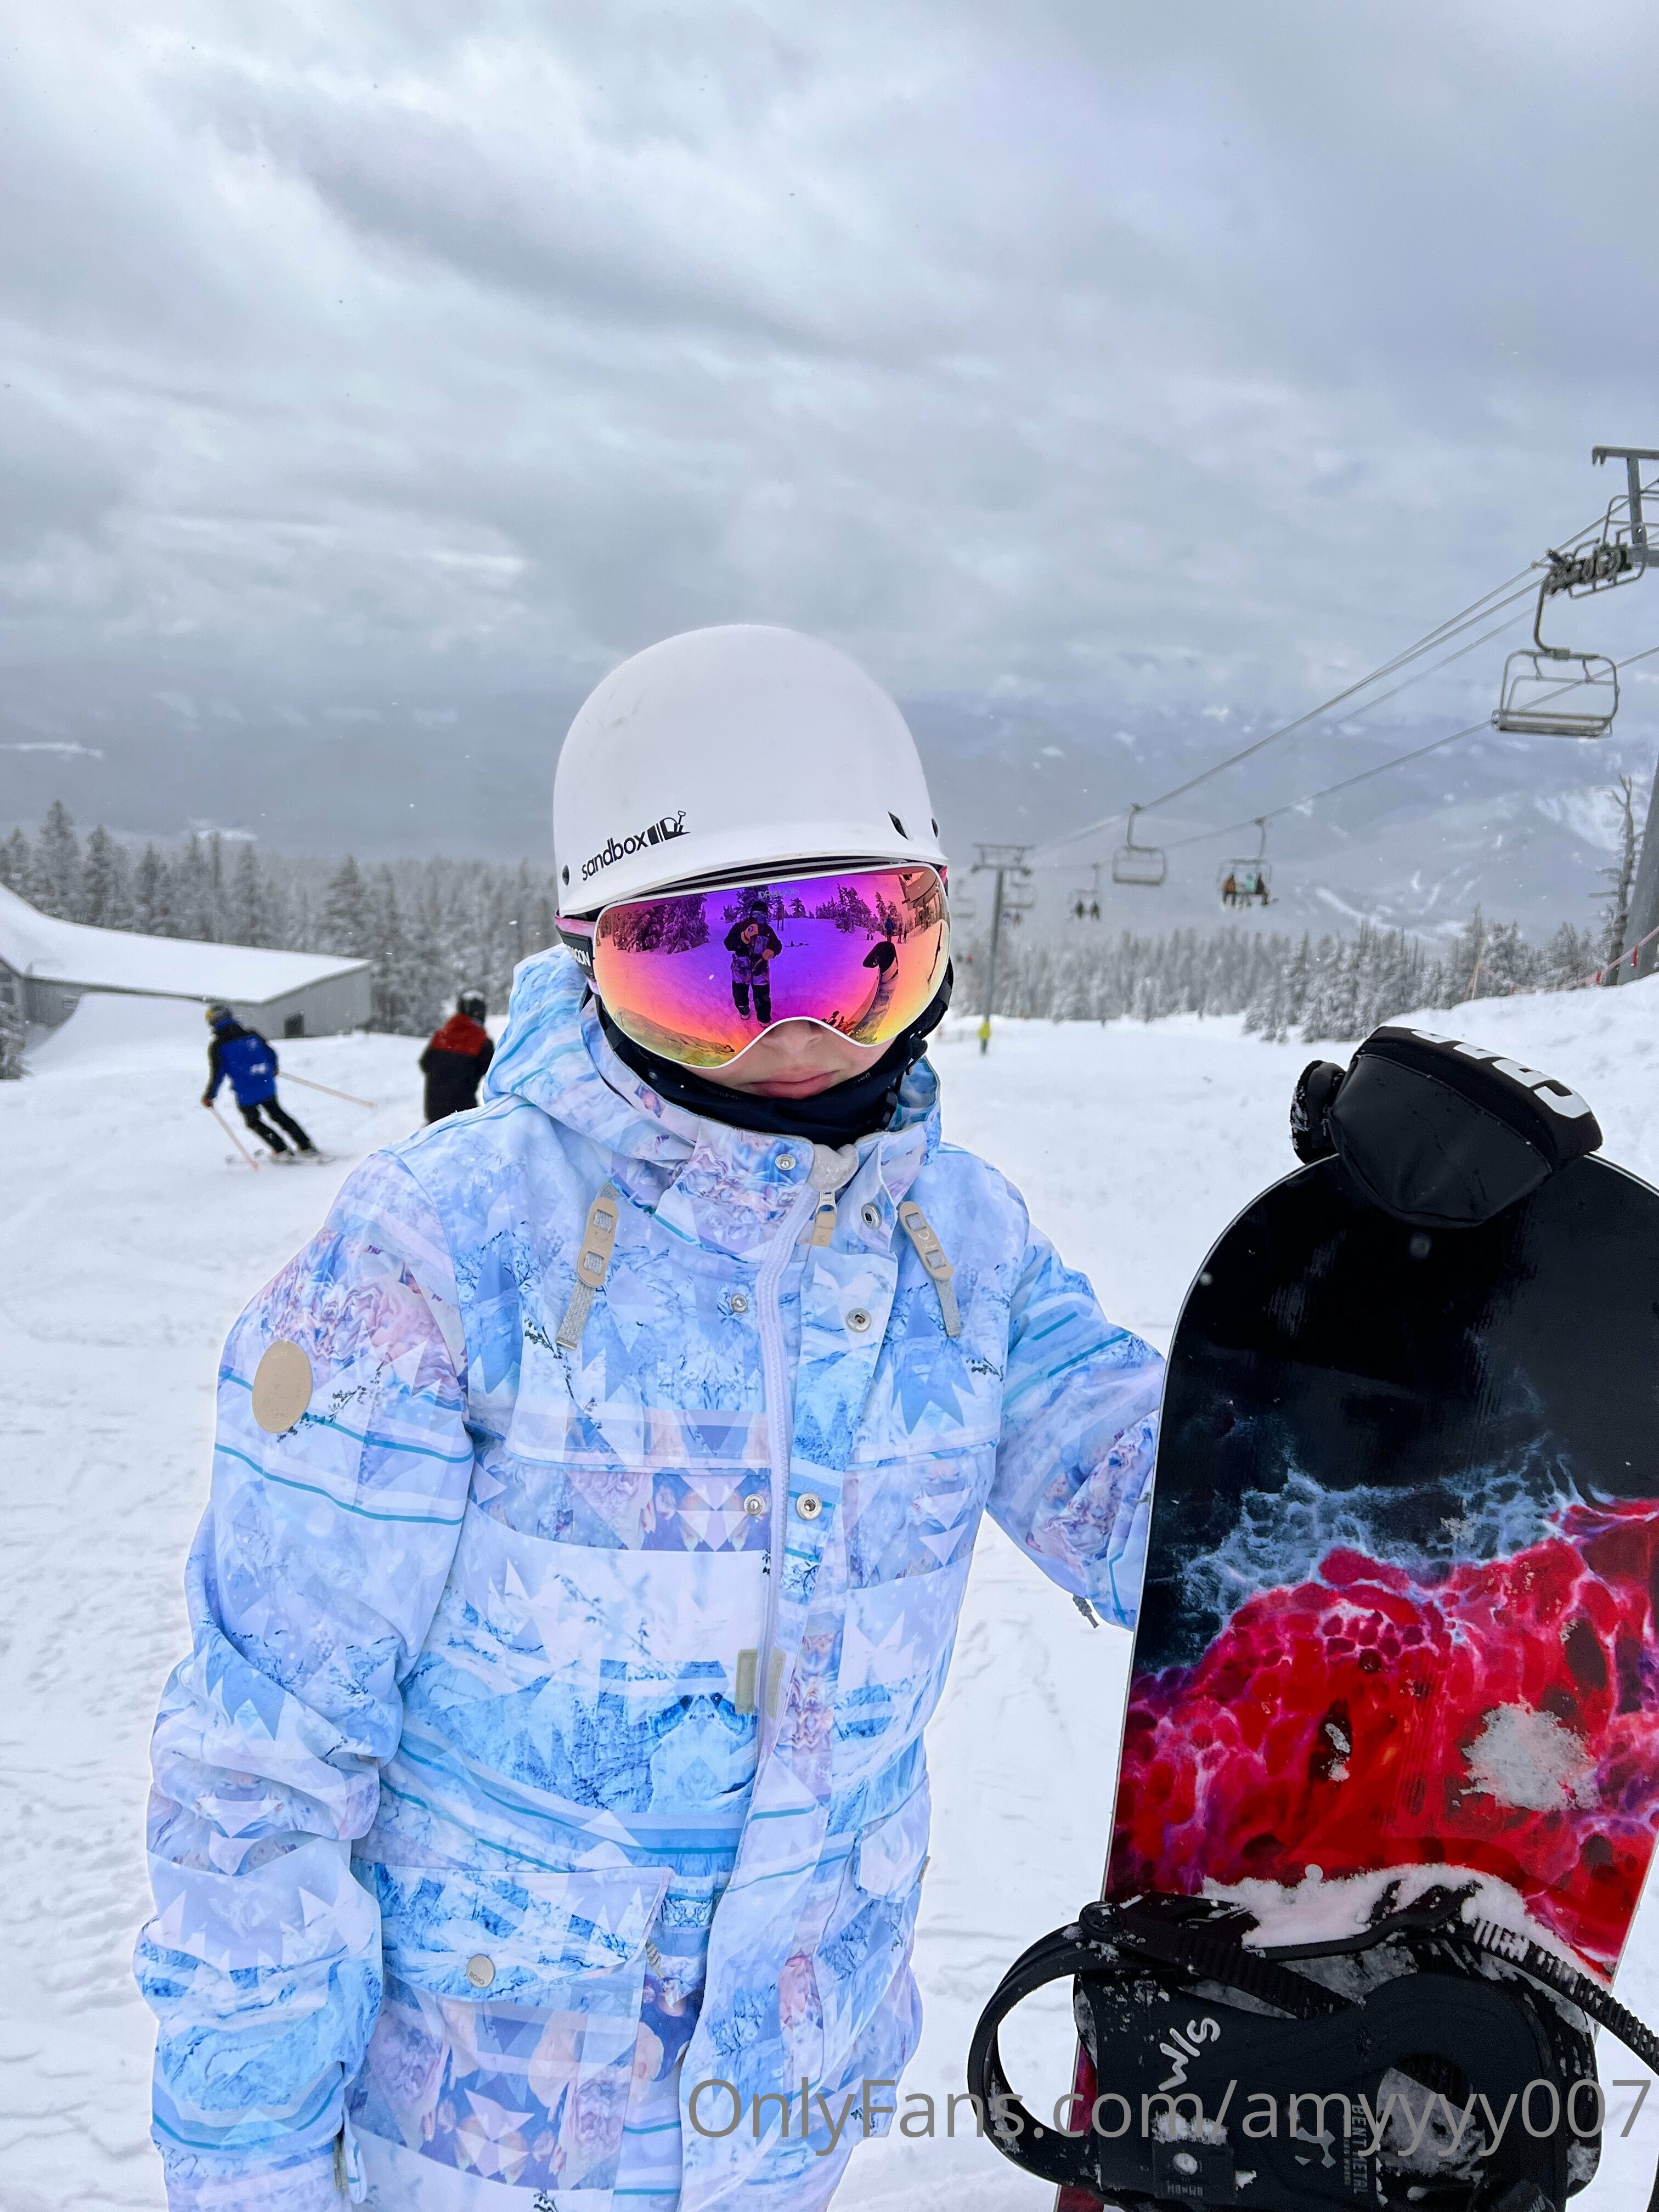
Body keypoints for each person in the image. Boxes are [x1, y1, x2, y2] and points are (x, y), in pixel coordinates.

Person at [138, 625, 1164, 2212]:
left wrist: (1398, 1311)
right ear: (596, 960)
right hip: (476, 2151)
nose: (795, 1044)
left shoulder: (962, 1250)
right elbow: (261, 1768)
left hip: (783, 2121)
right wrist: (248, 2175)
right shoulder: (447, 1253)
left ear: (932, 943)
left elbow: (1171, 1510)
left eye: (855, 960)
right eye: (713, 979)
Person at [200, 1001, 318, 1158]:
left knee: (253, 1121)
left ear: (213, 1021)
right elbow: (271, 1053)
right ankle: (306, 1145)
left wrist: (210, 1095)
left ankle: (281, 1150)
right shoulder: (252, 1034)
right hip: (266, 1083)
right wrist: (274, 1068)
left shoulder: (218, 1046)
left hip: (246, 1090)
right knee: (278, 1114)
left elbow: (217, 1075)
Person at [419, 988, 495, 1121]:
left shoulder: (441, 1036)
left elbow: (425, 1064)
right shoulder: (482, 1042)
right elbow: (495, 1076)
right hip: (464, 1115)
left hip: (433, 1115)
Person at [724, 898, 782, 1022]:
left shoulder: (767, 931)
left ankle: (764, 1019)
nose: (758, 918)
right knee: (740, 995)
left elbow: (778, 946)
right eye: (756, 914)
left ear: (766, 916)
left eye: (762, 915)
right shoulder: (740, 927)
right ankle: (744, 1011)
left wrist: (771, 951)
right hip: (741, 969)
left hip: (760, 969)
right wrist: (743, 938)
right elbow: (728, 944)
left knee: (763, 997)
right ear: (751, 914)